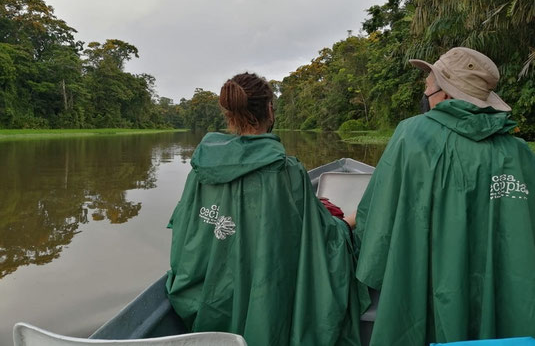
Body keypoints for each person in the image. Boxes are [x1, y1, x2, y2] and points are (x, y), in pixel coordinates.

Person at [166, 72, 367, 346]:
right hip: (266, 292)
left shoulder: (201, 166)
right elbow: (318, 241)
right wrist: (350, 223)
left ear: (229, 112)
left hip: (209, 296)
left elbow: (185, 229)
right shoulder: (285, 170)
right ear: (269, 109)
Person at [355, 47, 535, 345]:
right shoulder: (518, 152)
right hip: (504, 299)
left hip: (425, 292)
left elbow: (378, 223)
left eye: (429, 85)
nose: (425, 92)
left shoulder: (410, 135)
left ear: (448, 94)